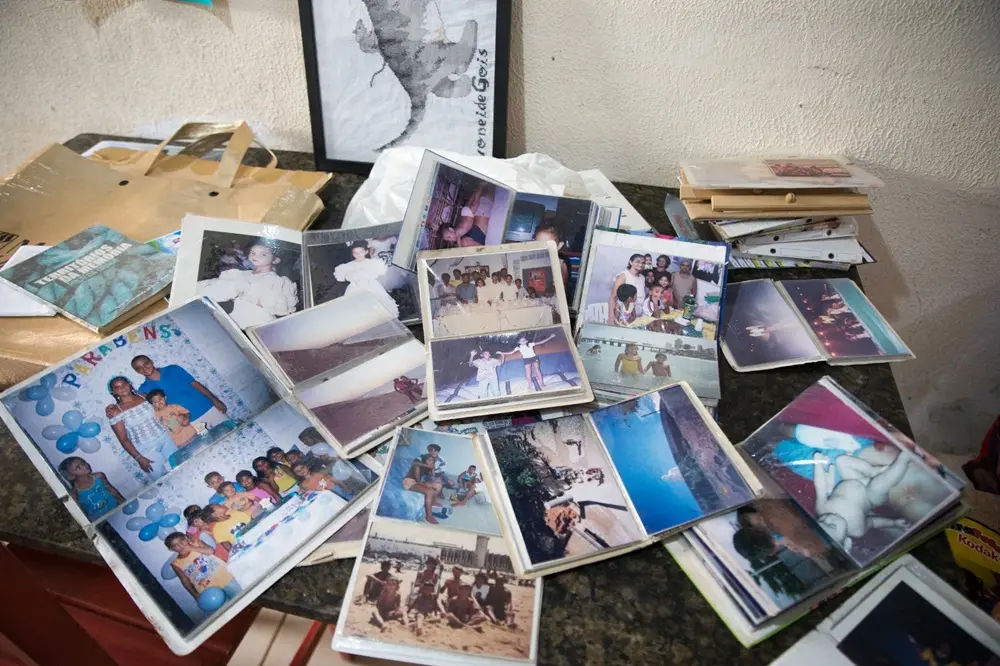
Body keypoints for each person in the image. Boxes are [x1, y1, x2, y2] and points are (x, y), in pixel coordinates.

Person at [195, 239, 299, 328]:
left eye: (263, 254)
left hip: (257, 322)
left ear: (275, 260)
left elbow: (278, 307)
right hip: (238, 317)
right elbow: (222, 287)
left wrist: (246, 295)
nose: (255, 256)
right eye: (252, 252)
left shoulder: (275, 280)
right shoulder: (243, 274)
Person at [105, 376, 178, 479]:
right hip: (146, 449)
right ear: (113, 392)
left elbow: (163, 410)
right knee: (161, 478)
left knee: (180, 465)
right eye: (117, 387)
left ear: (129, 384)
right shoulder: (115, 412)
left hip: (166, 438)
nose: (122, 388)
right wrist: (139, 458)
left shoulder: (144, 396)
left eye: (124, 384)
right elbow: (124, 440)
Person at [132, 356, 230, 431]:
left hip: (209, 409)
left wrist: (215, 400)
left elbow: (196, 384)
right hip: (190, 423)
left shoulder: (173, 369)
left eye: (146, 363)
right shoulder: (144, 389)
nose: (144, 368)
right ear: (137, 372)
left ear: (151, 362)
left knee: (232, 431)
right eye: (139, 367)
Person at [165, 533, 241, 604]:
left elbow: (210, 551)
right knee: (228, 607)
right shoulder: (175, 564)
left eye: (181, 541)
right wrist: (195, 595)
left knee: (241, 597)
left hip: (225, 577)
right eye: (175, 545)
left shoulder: (197, 543)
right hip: (208, 590)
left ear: (186, 538)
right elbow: (185, 581)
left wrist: (192, 548)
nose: (180, 545)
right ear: (171, 549)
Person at [333, 244, 399, 317]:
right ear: (353, 254)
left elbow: (377, 273)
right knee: (356, 310)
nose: (358, 255)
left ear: (366, 252)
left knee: (377, 309)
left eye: (361, 252)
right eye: (355, 253)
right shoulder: (348, 266)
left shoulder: (373, 263)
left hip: (371, 286)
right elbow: (342, 278)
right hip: (355, 288)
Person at [59, 456, 124, 521]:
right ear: (71, 477)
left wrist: (123, 502)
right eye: (78, 467)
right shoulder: (74, 493)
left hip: (116, 509)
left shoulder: (99, 476)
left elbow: (112, 490)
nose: (84, 466)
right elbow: (82, 512)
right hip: (101, 521)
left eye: (83, 463)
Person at [403, 444, 447, 524]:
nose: (430, 462)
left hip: (417, 482)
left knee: (438, 485)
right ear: (425, 460)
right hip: (409, 482)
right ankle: (429, 516)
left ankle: (433, 502)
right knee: (430, 491)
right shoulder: (418, 465)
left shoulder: (429, 467)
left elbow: (432, 476)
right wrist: (423, 484)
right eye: (428, 460)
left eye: (432, 461)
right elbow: (415, 465)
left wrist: (432, 468)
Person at [607, 254, 648, 325]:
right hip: (624, 314)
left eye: (643, 263)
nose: (641, 264)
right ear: (631, 262)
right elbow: (613, 297)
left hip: (638, 315)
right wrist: (611, 316)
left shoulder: (642, 278)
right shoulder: (623, 276)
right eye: (638, 262)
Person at [533, 223, 570, 287]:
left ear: (559, 246)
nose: (542, 250)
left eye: (548, 246)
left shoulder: (561, 266)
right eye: (538, 245)